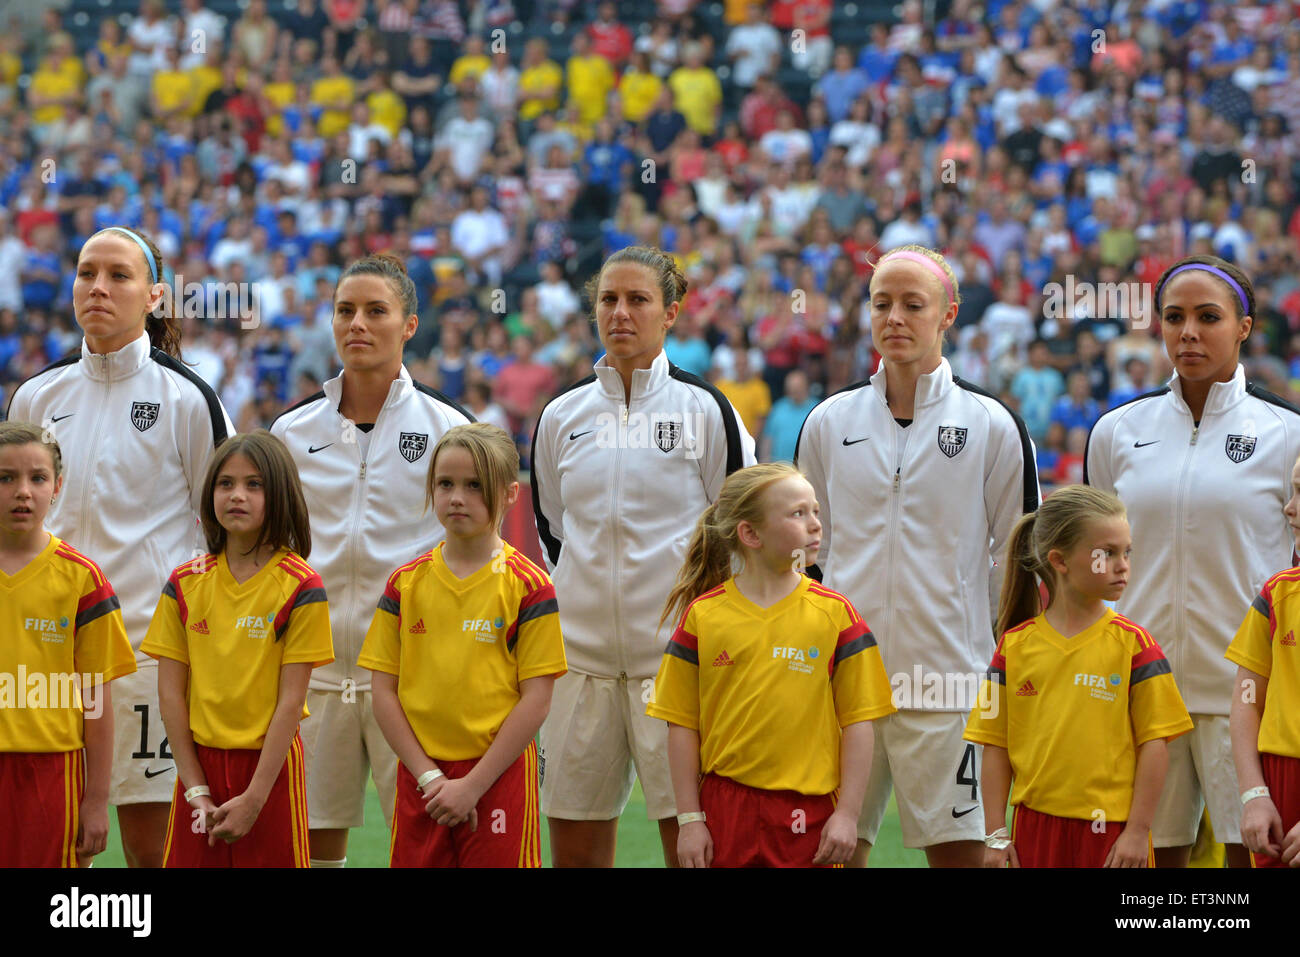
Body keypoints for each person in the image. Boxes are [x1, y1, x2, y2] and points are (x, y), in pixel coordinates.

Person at [796, 244, 1038, 868]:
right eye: (882, 304)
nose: (895, 318)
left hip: (951, 684)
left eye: (913, 304)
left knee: (963, 859)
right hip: (844, 683)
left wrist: (992, 658)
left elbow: (1018, 557)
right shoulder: (828, 421)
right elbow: (803, 553)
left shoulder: (991, 423)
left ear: (948, 314)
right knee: (826, 856)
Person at [6, 227, 234, 868]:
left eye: (119, 275)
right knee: (51, 845)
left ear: (155, 295)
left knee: (150, 851)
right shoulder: (36, 396)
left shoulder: (189, 398)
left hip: (144, 660)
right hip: (42, 664)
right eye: (86, 273)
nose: (98, 287)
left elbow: (227, 528)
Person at [531, 245, 756, 867]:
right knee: (574, 848)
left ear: (671, 312)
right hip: (578, 665)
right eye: (608, 299)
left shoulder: (707, 409)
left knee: (690, 848)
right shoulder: (560, 414)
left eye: (638, 300)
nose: (620, 313)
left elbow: (742, 532)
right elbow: (555, 532)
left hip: (677, 670)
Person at [1085, 254, 1300, 868]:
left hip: (1251, 696)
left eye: (1209, 317)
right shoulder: (1118, 431)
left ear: (1244, 327)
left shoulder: (1288, 433)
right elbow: (1099, 558)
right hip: (1142, 688)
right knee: (1150, 868)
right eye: (1174, 317)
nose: (1188, 332)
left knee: (1248, 862)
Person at [269, 252, 472, 868]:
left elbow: (471, 551)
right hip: (314, 673)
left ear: (409, 324)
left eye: (375, 311)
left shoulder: (449, 428)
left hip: (411, 677)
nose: (357, 323)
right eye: (345, 310)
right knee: (309, 844)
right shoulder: (290, 431)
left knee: (422, 845)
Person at [647, 463, 895, 867]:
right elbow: (681, 725)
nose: (815, 524)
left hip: (810, 816)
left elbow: (859, 724)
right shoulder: (703, 616)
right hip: (723, 809)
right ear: (750, 533)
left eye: (815, 511)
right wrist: (690, 819)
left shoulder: (836, 615)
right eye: (798, 513)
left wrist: (849, 814)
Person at [360, 423, 566, 867]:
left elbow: (537, 700)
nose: (457, 497)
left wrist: (472, 785)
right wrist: (430, 776)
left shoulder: (530, 586)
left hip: (497, 778)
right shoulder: (404, 584)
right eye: (445, 484)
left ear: (511, 494)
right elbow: (382, 693)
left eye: (475, 486)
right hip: (422, 779)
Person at [965, 485, 1193, 867]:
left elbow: (1155, 746)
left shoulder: (1136, 646)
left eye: (1127, 552)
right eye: (1107, 553)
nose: (1123, 564)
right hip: (1033, 831)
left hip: (1111, 834)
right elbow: (995, 746)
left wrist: (1138, 831)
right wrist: (995, 834)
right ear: (1059, 560)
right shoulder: (1014, 647)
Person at [142, 431, 333, 867]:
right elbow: (171, 696)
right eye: (225, 483)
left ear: (280, 492)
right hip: (199, 769)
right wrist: (196, 789)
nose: (237, 495)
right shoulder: (184, 583)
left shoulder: (302, 585)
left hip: (269, 772)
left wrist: (255, 798)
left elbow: (291, 702)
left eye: (254, 484)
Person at [0, 422, 136, 867]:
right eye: (6, 478)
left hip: (52, 774)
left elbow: (97, 702)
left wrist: (96, 800)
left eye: (37, 478)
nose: (23, 491)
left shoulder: (82, 579)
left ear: (57, 486)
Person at [1227, 450, 1300, 868]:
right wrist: (1254, 795)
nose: (1289, 508)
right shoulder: (1275, 597)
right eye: (1291, 491)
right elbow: (1247, 700)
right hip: (1278, 784)